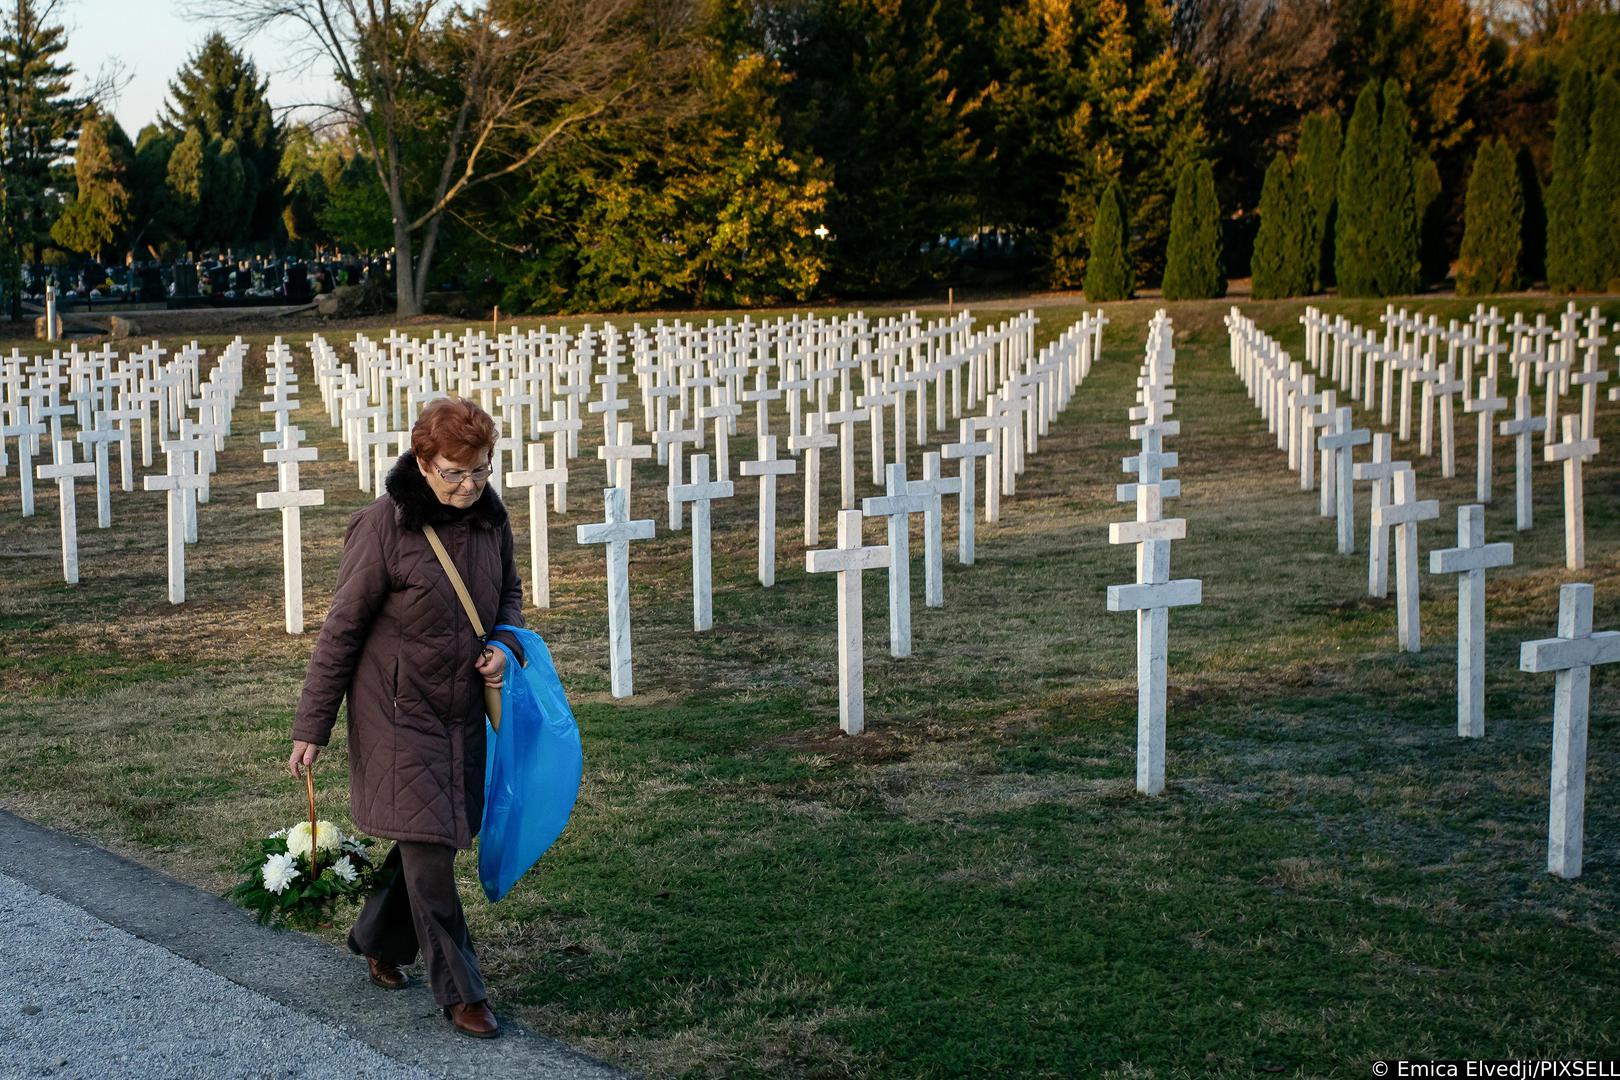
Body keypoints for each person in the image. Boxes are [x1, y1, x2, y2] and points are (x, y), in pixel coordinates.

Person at [289, 397, 525, 1039]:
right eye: (455, 473)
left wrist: (503, 646)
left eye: (481, 470)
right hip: (395, 716)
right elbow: (341, 631)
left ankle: (377, 936)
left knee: (432, 838)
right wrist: (312, 726)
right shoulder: (381, 527)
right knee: (430, 855)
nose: (470, 486)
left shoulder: (491, 520)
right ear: (423, 463)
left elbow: (508, 598)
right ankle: (463, 992)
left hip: (461, 713)